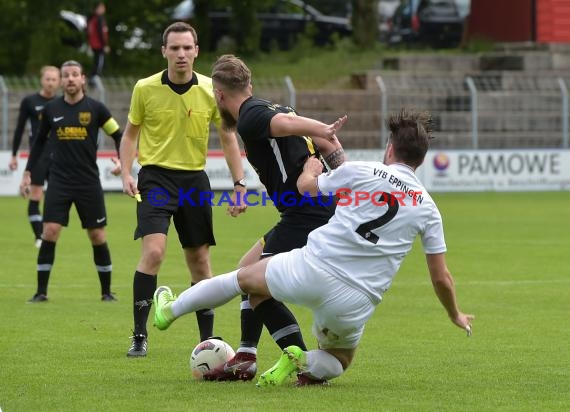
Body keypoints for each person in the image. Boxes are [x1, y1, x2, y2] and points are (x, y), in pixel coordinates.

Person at [152, 108, 475, 387]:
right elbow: (441, 278)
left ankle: (170, 310)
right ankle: (302, 358)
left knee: (244, 280)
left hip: (312, 267)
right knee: (340, 360)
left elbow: (306, 189)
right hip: (356, 299)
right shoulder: (428, 208)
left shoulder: (362, 170)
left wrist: (310, 170)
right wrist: (455, 314)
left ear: (390, 150)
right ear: (420, 159)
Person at [199, 54, 347, 381]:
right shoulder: (268, 107)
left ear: (219, 95)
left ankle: (304, 366)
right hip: (309, 211)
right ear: (248, 84)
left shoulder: (250, 115)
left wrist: (319, 126)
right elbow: (320, 140)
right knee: (244, 271)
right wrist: (345, 176)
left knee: (256, 287)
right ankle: (246, 357)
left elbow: (292, 127)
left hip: (305, 215)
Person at [119, 22, 247, 358]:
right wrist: (126, 173)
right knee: (154, 252)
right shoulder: (144, 88)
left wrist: (239, 184)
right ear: (164, 51)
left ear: (196, 51)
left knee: (200, 262)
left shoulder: (210, 89)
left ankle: (209, 341)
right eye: (174, 48)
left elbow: (229, 137)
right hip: (155, 179)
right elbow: (130, 134)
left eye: (186, 47)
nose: (180, 54)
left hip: (194, 181)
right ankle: (139, 335)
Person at [20, 60, 122, 303]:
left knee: (97, 235)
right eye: (66, 75)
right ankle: (40, 292)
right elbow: (39, 143)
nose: (70, 79)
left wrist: (122, 161)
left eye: (75, 74)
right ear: (62, 81)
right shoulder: (52, 109)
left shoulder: (97, 109)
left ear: (83, 79)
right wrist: (28, 172)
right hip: (59, 181)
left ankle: (106, 292)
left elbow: (118, 134)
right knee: (50, 231)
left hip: (88, 182)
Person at [10, 65, 60, 248]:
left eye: (54, 79)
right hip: (38, 155)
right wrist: (14, 155)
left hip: (58, 155)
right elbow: (19, 129)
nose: (51, 83)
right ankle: (39, 235)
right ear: (42, 80)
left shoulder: (62, 102)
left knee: (55, 196)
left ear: (59, 81)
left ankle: (48, 233)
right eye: (48, 79)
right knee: (36, 195)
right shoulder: (30, 102)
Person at [87, 2, 110, 84]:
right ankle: (94, 80)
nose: (104, 9)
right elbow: (101, 33)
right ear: (98, 8)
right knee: (99, 63)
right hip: (99, 44)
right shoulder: (99, 19)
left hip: (93, 44)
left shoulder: (91, 18)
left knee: (96, 61)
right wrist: (105, 45)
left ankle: (92, 79)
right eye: (102, 7)